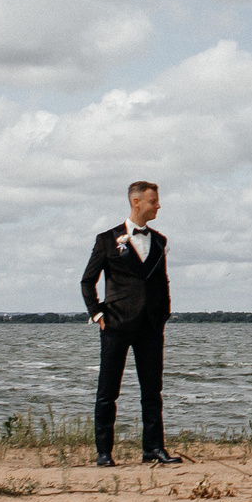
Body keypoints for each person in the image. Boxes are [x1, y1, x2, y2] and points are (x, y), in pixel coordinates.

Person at [81, 180, 177, 466]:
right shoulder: (107, 239)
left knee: (152, 390)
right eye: (153, 201)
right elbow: (88, 280)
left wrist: (163, 315)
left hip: (151, 326)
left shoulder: (159, 240)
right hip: (116, 325)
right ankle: (103, 452)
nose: (158, 205)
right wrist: (98, 315)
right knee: (107, 391)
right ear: (137, 202)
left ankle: (153, 449)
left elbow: (161, 281)